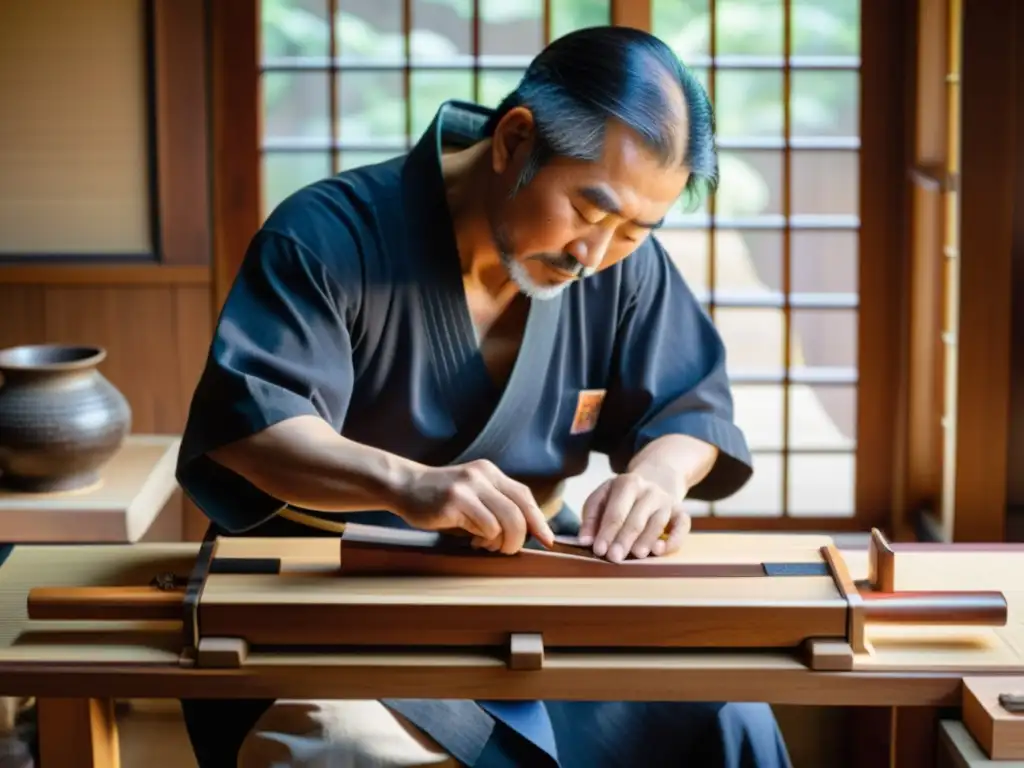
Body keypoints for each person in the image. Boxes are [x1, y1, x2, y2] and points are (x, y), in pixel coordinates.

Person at [176, 24, 793, 768]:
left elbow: (690, 409)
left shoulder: (624, 267)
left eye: (634, 230)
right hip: (327, 593)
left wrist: (658, 477)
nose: (593, 256)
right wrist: (409, 483)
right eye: (590, 213)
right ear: (514, 141)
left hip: (522, 589)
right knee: (347, 749)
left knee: (729, 717)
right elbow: (253, 423)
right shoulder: (328, 233)